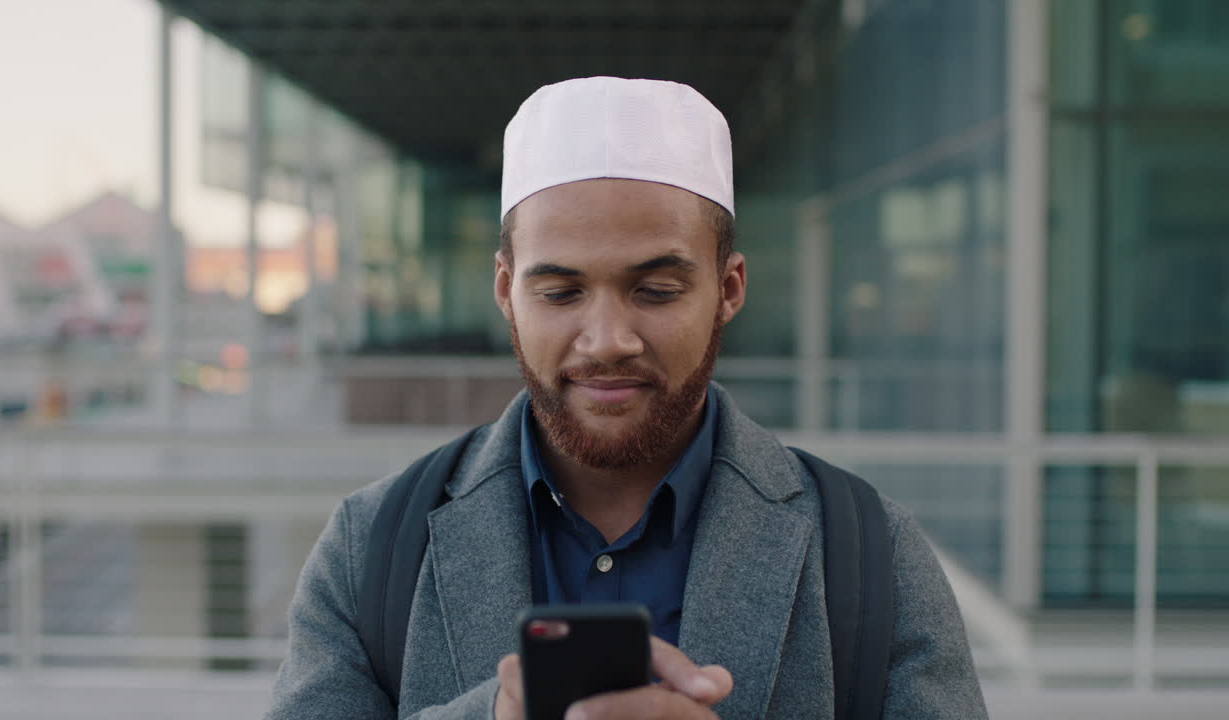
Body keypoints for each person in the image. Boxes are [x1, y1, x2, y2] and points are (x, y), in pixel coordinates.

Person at [266, 76, 987, 719]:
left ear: (728, 289)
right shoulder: (370, 549)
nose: (607, 339)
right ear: (505, 293)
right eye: (560, 291)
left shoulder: (868, 551)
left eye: (655, 290)